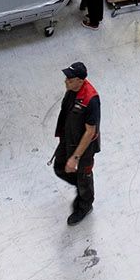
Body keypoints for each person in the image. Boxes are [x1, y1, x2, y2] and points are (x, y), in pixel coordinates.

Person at [53, 61, 100, 225]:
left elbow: (90, 132)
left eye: (70, 79)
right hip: (69, 139)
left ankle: (85, 205)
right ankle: (81, 186)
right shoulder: (72, 91)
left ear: (81, 81)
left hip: (84, 148)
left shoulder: (90, 99)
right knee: (59, 167)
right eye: (67, 78)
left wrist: (75, 158)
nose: (66, 81)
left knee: (84, 176)